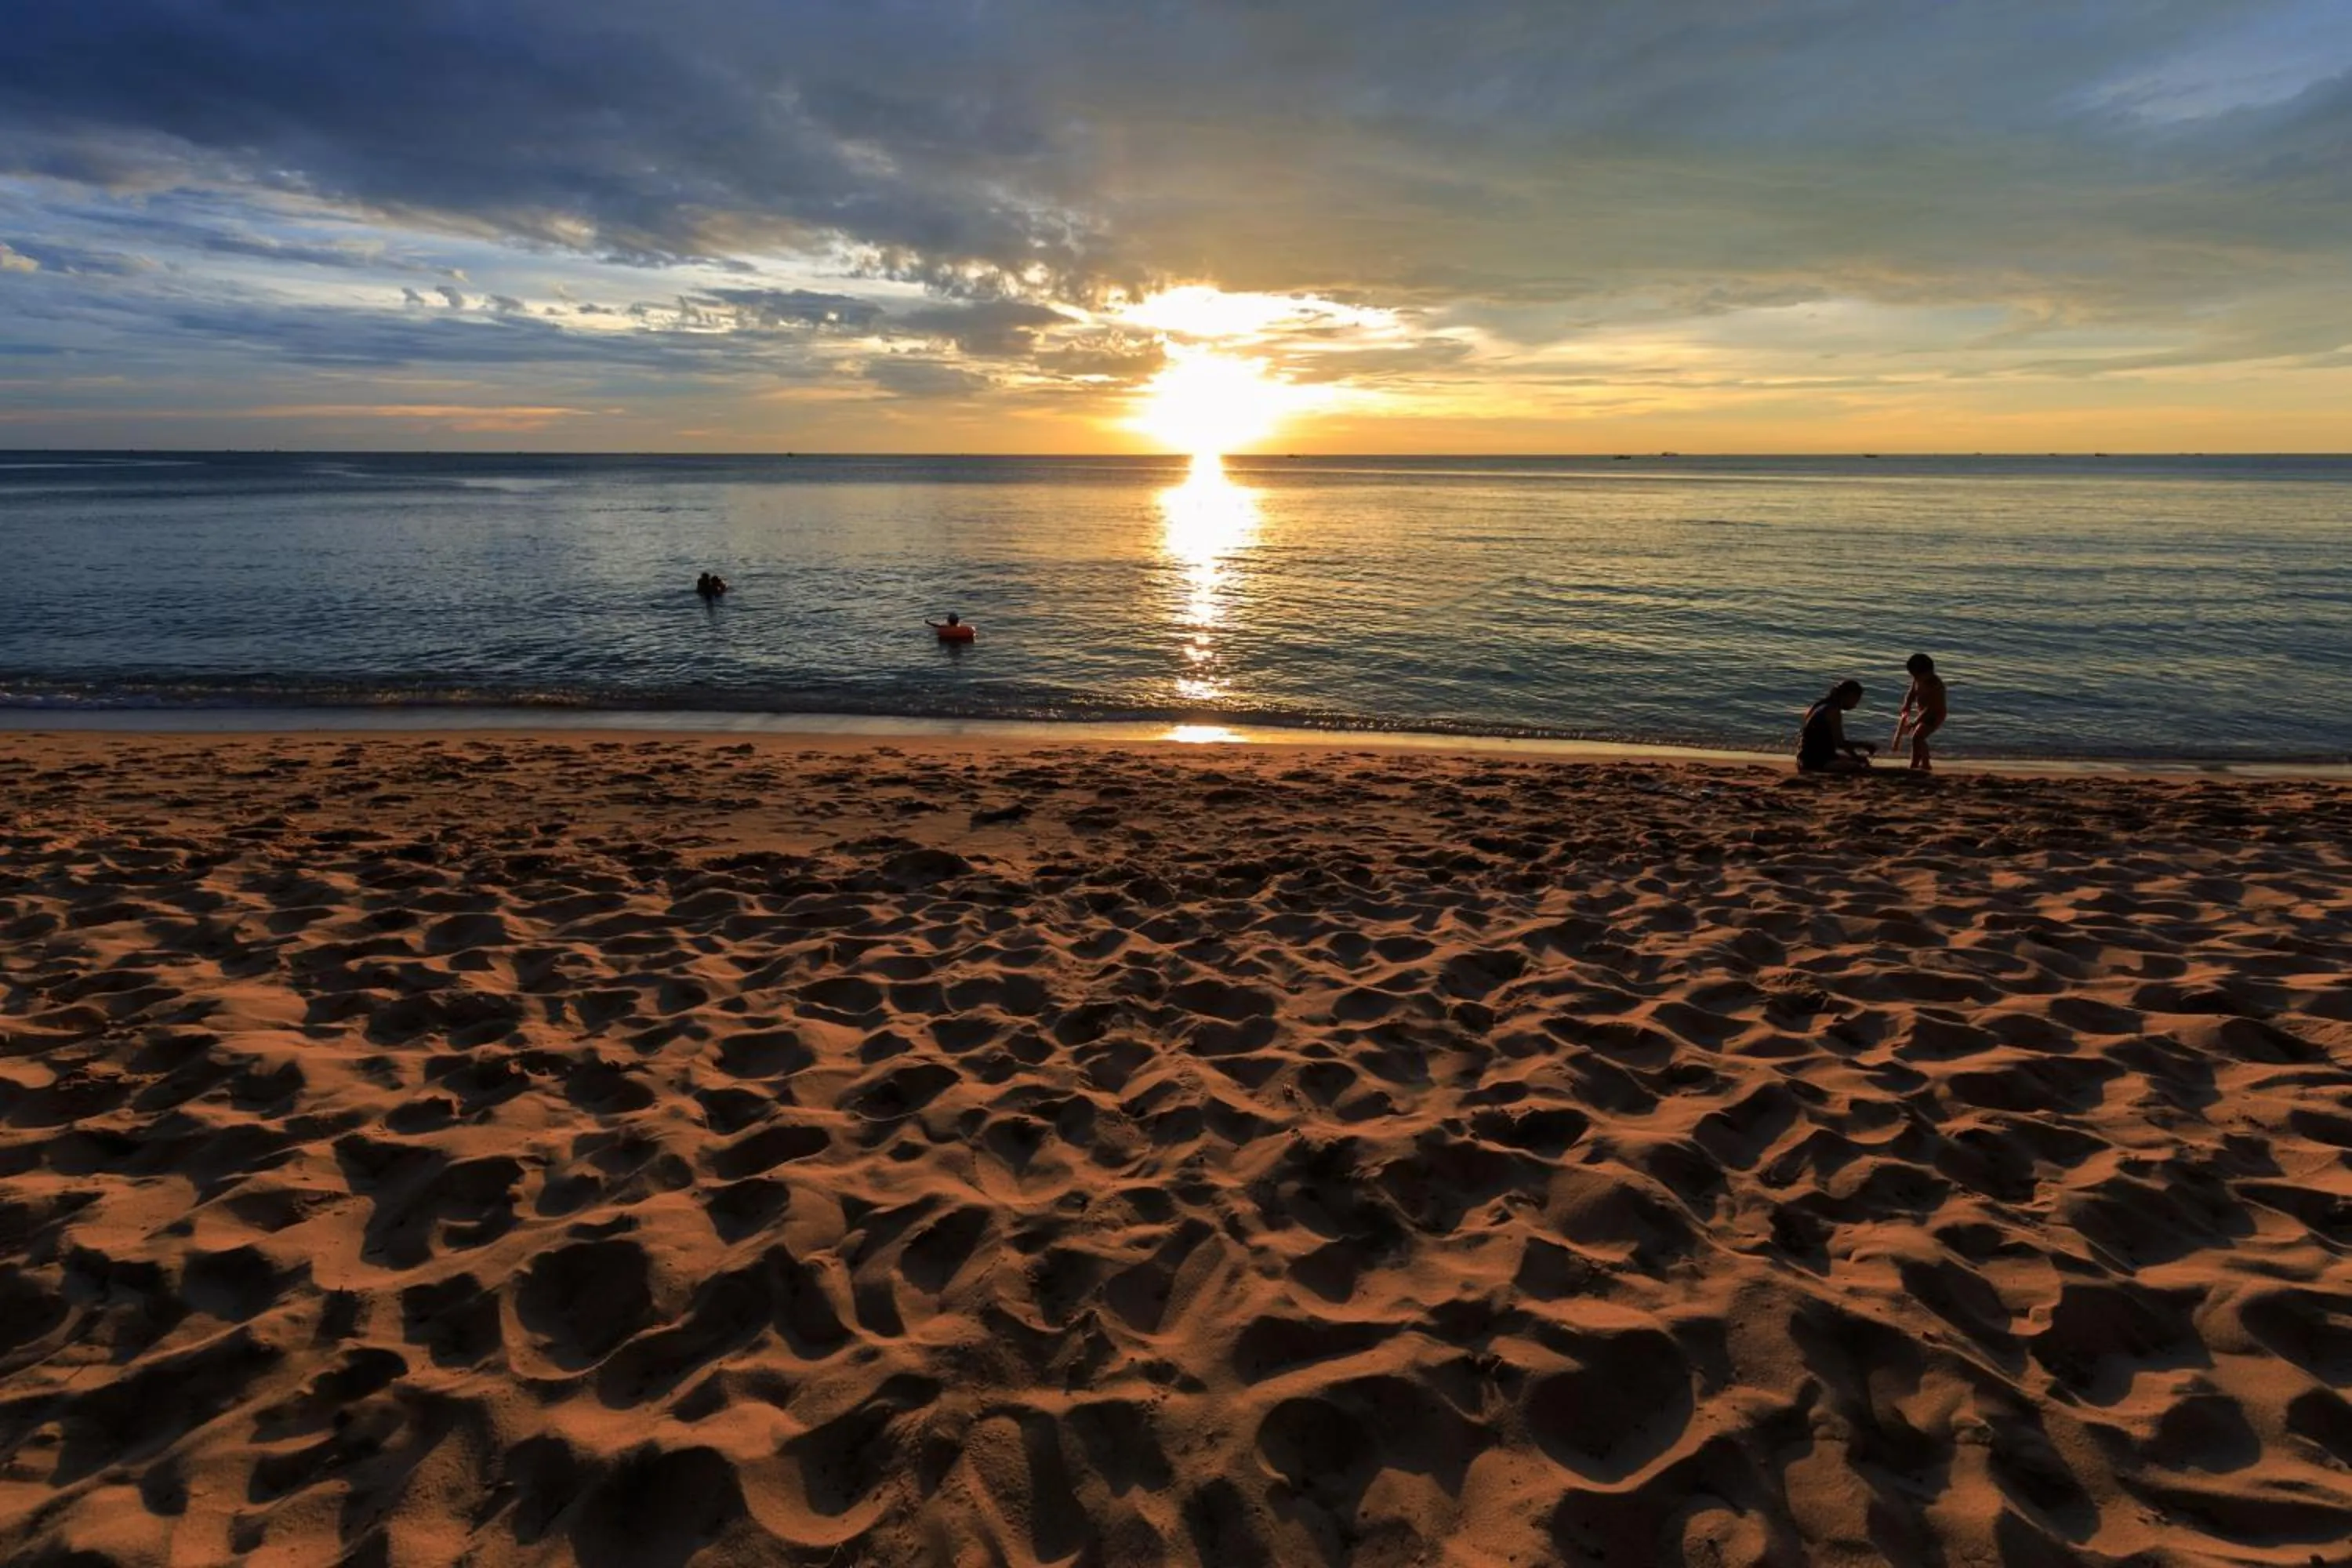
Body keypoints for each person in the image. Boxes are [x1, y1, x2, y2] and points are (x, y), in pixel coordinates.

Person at [1796, 679, 1875, 772]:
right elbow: (1840, 743)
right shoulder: (1833, 711)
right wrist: (1864, 745)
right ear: (1849, 696)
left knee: (1859, 761)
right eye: (1856, 700)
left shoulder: (1819, 705)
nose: (1855, 706)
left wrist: (1856, 756)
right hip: (1816, 762)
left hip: (1804, 758)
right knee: (1856, 767)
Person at [1892, 653, 1947, 772]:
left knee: (1918, 737)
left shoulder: (1935, 686)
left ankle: (1926, 763)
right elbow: (1911, 693)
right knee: (1916, 739)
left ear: (1929, 672)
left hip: (1935, 714)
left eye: (1917, 675)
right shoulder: (1918, 679)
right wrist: (1907, 705)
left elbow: (1930, 708)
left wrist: (1915, 722)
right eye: (1913, 675)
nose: (1915, 678)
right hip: (1924, 711)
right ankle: (1915, 762)